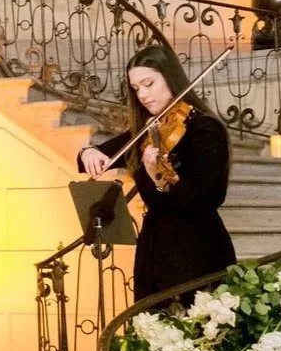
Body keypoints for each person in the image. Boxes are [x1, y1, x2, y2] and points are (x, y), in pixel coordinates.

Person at [77, 44, 235, 303]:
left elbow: (206, 199)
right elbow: (93, 157)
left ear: (170, 77)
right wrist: (88, 152)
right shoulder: (148, 131)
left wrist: (158, 177)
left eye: (149, 84)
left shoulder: (205, 129)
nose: (142, 95)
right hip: (153, 251)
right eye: (136, 88)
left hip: (196, 250)